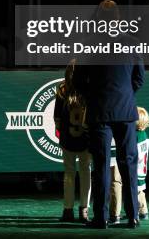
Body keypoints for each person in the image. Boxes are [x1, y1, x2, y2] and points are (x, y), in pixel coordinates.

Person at [74, 0, 145, 229]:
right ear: (118, 18)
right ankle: (133, 216)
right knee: (129, 165)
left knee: (102, 166)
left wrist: (95, 96)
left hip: (99, 112)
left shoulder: (89, 44)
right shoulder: (132, 43)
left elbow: (77, 82)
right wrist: (123, 95)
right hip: (125, 111)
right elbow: (139, 79)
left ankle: (101, 218)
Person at [54, 60, 92, 223]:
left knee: (69, 174)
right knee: (86, 172)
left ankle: (67, 210)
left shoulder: (62, 88)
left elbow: (56, 117)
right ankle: (84, 210)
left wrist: (62, 131)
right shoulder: (89, 87)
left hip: (68, 136)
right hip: (85, 136)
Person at [109, 106, 149, 223]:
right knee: (139, 191)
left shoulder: (134, 136)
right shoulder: (144, 135)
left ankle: (114, 214)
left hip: (134, 167)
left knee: (117, 183)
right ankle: (143, 211)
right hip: (141, 169)